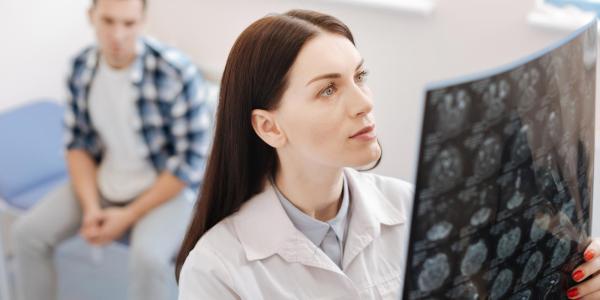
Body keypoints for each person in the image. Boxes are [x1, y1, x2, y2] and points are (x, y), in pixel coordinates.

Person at [175, 9, 600, 300]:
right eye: (328, 89)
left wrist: (568, 285)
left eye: (360, 76)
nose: (363, 102)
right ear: (269, 126)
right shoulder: (216, 270)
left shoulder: (416, 210)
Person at [11, 0, 214, 300]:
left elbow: (189, 165)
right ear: (91, 17)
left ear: (143, 21)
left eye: (129, 23)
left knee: (148, 259)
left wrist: (126, 216)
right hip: (106, 179)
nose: (118, 35)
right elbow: (77, 144)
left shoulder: (175, 72)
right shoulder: (81, 68)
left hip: (166, 190)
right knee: (26, 234)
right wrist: (92, 207)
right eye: (108, 21)